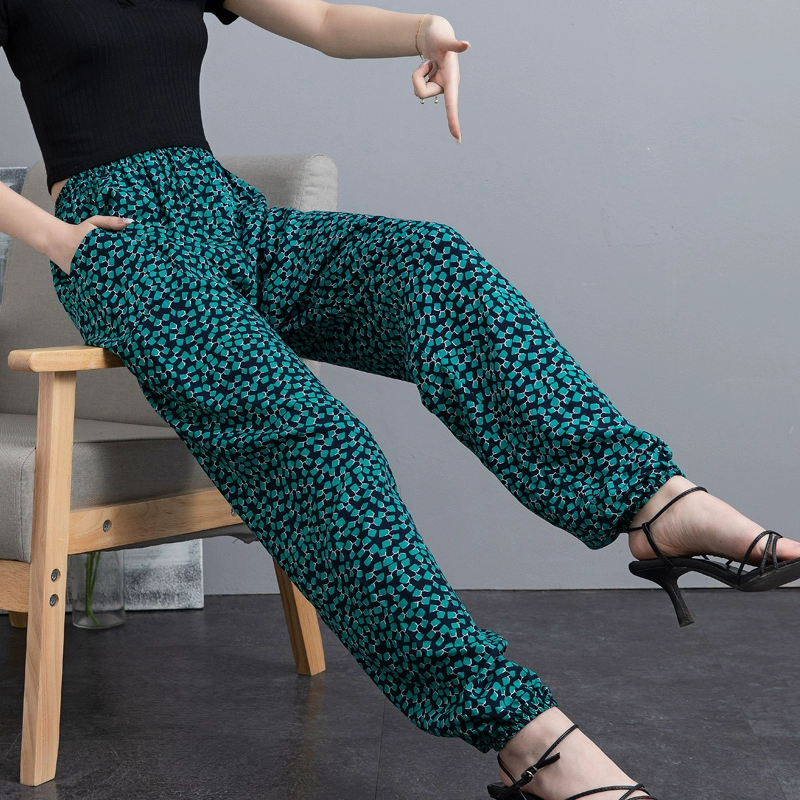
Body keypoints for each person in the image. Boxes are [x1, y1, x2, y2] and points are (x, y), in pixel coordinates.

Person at [1, 2, 798, 797]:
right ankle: (525, 735)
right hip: (126, 249)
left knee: (433, 266)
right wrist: (58, 239)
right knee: (319, 446)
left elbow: (319, 18)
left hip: (231, 216)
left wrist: (423, 31)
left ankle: (651, 503)